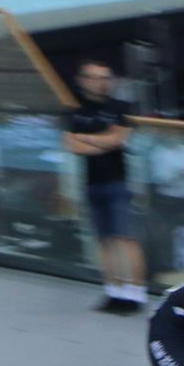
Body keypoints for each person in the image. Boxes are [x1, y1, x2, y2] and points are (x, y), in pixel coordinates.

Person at [63, 61, 147, 313]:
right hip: (92, 183)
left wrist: (87, 137)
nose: (101, 82)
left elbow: (117, 140)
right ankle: (113, 290)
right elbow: (72, 146)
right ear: (83, 80)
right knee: (104, 240)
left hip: (117, 182)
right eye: (95, 77)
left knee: (125, 238)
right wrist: (101, 141)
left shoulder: (119, 107)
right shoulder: (74, 110)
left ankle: (135, 291)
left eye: (106, 77)